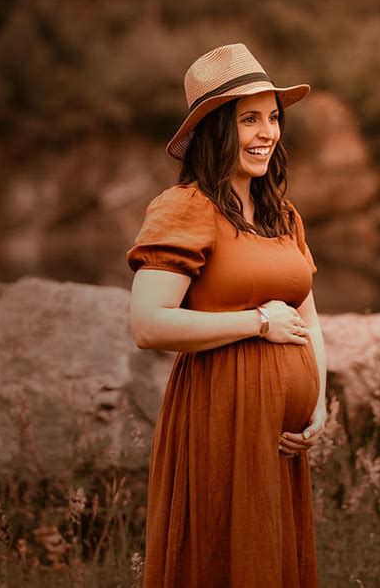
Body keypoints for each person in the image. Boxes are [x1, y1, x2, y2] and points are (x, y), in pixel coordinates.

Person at [126, 42, 328, 588]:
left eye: (272, 118)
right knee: (222, 561)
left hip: (279, 438)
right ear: (217, 128)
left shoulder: (281, 213)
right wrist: (257, 323)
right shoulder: (186, 207)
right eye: (249, 120)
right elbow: (148, 324)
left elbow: (308, 320)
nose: (268, 133)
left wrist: (319, 406)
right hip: (221, 418)